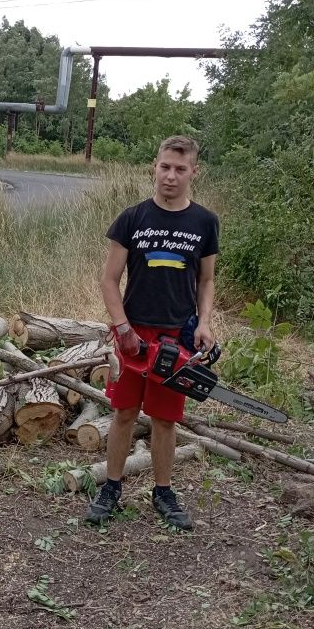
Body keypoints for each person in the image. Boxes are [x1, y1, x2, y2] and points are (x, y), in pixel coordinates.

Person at [85, 135, 218, 530]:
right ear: (154, 167)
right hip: (133, 334)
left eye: (180, 169)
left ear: (194, 171)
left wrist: (205, 322)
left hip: (176, 336)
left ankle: (163, 491)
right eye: (165, 167)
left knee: (164, 419)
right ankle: (111, 486)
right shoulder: (132, 218)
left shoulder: (204, 223)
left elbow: (206, 280)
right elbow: (110, 280)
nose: (171, 176)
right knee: (124, 412)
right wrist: (122, 327)